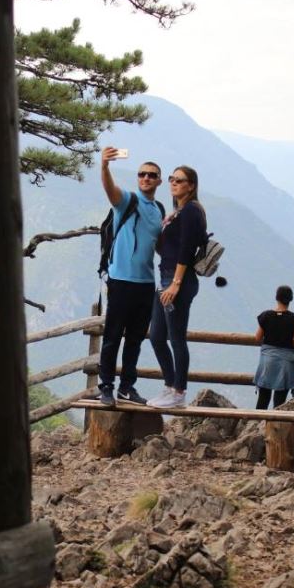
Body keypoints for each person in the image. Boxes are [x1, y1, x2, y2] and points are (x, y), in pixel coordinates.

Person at [96, 147, 165, 406]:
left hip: (146, 283)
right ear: (138, 179)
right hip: (121, 280)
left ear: (159, 180)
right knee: (113, 336)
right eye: (142, 174)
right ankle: (106, 387)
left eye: (152, 175)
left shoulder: (158, 210)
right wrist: (104, 166)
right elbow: (109, 190)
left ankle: (127, 387)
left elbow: (157, 245)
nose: (146, 178)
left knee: (135, 339)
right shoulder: (127, 200)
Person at [147, 165, 206, 409]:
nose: (173, 183)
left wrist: (175, 284)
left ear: (191, 185)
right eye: (171, 179)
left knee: (176, 338)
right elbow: (168, 248)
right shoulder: (178, 212)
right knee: (157, 336)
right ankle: (170, 385)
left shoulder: (192, 210)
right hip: (165, 278)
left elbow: (186, 249)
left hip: (177, 280)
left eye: (179, 180)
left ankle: (178, 392)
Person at [253, 285, 294, 409]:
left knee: (263, 398)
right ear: (290, 299)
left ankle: (257, 424)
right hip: (285, 364)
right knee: (280, 402)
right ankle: (276, 427)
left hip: (268, 362)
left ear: (277, 298)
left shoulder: (265, 316)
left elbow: (258, 338)